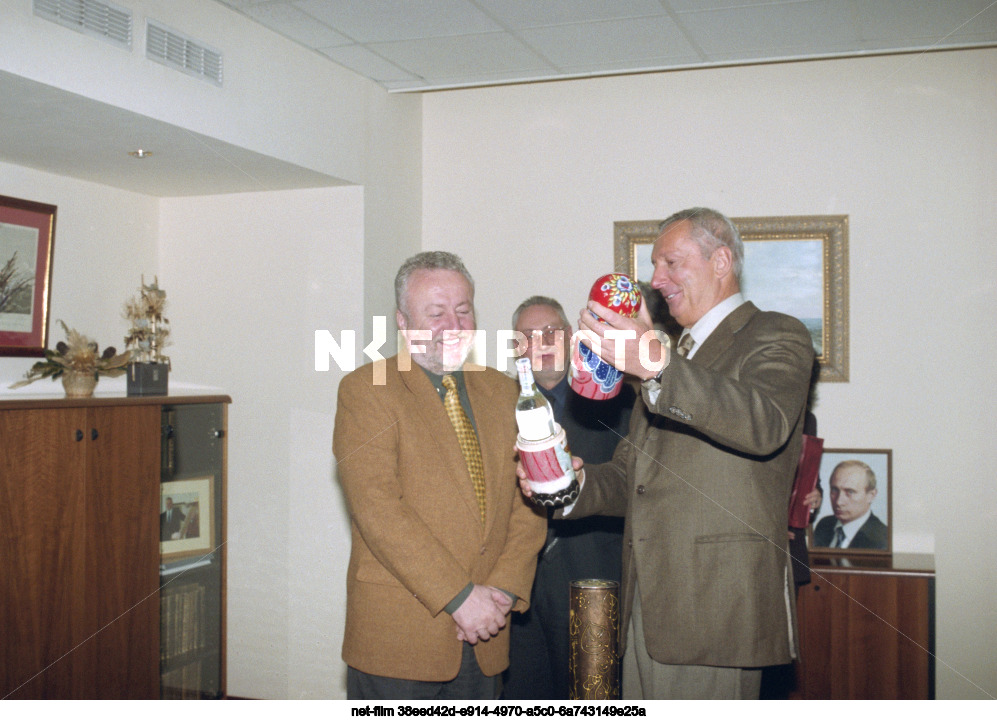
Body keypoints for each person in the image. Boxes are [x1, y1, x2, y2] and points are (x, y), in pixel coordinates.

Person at [521, 207, 815, 700]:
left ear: (721, 261)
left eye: (671, 263)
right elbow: (631, 476)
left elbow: (764, 423)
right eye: (655, 266)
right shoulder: (674, 355)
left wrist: (654, 363)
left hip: (715, 609)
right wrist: (567, 486)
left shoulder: (775, 334)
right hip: (645, 605)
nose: (656, 281)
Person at [333, 251, 546, 700]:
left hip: (489, 631)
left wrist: (503, 591)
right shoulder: (366, 389)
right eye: (435, 313)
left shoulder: (503, 390)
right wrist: (460, 596)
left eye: (463, 309)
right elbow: (378, 509)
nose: (454, 323)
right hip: (400, 641)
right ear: (402, 320)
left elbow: (530, 498)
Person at [502, 296, 634, 700]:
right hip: (517, 586)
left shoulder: (620, 404)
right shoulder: (497, 408)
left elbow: (632, 488)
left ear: (572, 338)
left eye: (550, 332)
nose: (539, 342)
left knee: (592, 699)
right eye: (527, 335)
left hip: (595, 579)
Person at [813, 460, 888, 550]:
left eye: (850, 492)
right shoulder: (824, 525)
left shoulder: (882, 538)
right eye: (834, 490)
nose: (838, 502)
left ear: (871, 495)